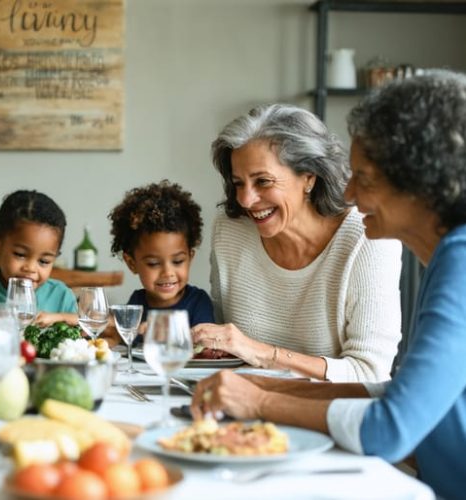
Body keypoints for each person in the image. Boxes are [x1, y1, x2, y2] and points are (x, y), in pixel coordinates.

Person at [189, 70, 466, 500]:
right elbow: (399, 393)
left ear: (418, 179)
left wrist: (260, 402)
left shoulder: (461, 262)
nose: (351, 192)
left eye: (366, 177)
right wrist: (267, 385)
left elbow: (389, 428)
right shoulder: (447, 256)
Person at [192, 104, 402, 382]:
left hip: (327, 415)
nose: (245, 200)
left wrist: (264, 354)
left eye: (263, 182)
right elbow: (227, 350)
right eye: (238, 183)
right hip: (244, 410)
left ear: (308, 177)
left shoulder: (367, 238)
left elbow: (370, 372)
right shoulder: (230, 229)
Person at [107, 180, 214, 343]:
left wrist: (163, 331)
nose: (168, 273)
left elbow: (206, 343)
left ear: (190, 258)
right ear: (132, 263)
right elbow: (123, 342)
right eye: (153, 264)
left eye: (178, 261)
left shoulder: (198, 301)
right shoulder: (136, 304)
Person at [0, 190, 77, 326]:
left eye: (44, 261)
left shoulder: (61, 295)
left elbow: (83, 326)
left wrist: (60, 317)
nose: (30, 268)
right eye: (20, 254)